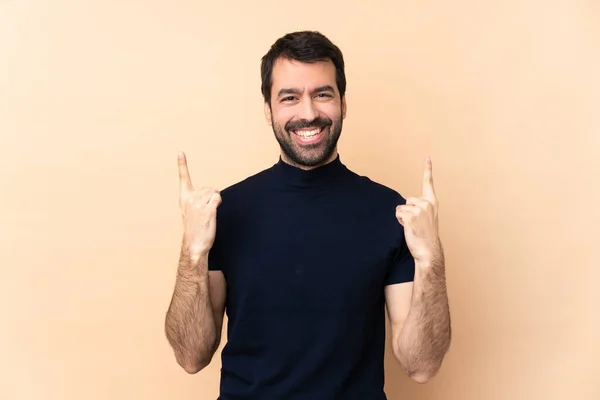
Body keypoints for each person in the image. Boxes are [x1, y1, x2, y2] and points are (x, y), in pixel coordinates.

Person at [164, 30, 451, 400]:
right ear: (268, 110)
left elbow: (421, 365)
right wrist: (193, 252)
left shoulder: (388, 212)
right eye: (290, 98)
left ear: (343, 103)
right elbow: (191, 356)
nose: (309, 113)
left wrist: (431, 260)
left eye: (323, 94)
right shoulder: (226, 212)